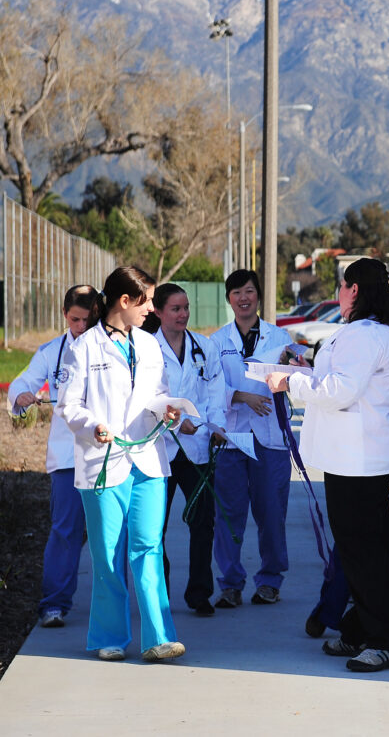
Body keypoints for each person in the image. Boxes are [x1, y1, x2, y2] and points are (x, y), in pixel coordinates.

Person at [266, 258, 389, 673]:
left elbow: (341, 391)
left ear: (355, 291)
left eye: (343, 287)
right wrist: (306, 372)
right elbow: (344, 383)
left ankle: (385, 641)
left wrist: (289, 382)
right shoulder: (376, 333)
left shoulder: (363, 335)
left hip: (357, 459)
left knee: (361, 552)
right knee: (358, 550)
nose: (339, 295)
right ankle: (361, 629)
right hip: (360, 457)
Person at [57, 266, 185, 662]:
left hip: (147, 461)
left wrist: (169, 412)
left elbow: (159, 392)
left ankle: (158, 637)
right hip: (104, 462)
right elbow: (68, 405)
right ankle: (110, 637)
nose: (152, 309)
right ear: (124, 302)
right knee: (108, 554)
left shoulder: (149, 346)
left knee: (148, 547)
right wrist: (93, 425)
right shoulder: (84, 347)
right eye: (146, 300)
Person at [303, 285, 389, 643]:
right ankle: (329, 612)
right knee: (356, 541)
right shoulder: (366, 340)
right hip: (372, 451)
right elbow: (358, 395)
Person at [9, 285, 98, 629]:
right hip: (67, 457)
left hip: (107, 455)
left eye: (87, 320)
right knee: (65, 531)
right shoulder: (51, 352)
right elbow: (21, 382)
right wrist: (23, 396)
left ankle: (117, 603)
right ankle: (54, 604)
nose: (80, 326)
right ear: (65, 315)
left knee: (113, 534)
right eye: (75, 319)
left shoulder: (110, 349)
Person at [211, 269, 293, 607]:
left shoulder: (279, 338)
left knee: (271, 512)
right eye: (236, 293)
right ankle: (230, 583)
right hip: (232, 439)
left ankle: (270, 580)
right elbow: (212, 388)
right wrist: (243, 397)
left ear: (259, 296)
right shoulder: (216, 342)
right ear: (228, 299)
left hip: (270, 438)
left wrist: (290, 370)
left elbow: (295, 382)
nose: (243, 298)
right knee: (228, 514)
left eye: (249, 291)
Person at [146, 284, 227, 617]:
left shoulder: (203, 347)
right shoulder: (147, 349)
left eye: (186, 308)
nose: (183, 315)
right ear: (159, 312)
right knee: (154, 527)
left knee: (203, 523)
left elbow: (215, 393)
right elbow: (146, 399)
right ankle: (158, 593)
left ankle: (199, 593)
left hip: (197, 449)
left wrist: (215, 427)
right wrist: (178, 425)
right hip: (159, 449)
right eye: (175, 309)